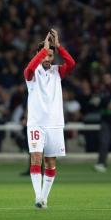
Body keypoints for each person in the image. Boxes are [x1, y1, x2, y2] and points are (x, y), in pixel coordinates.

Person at [24, 28, 75, 208]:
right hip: (36, 124)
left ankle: (44, 199)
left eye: (50, 56)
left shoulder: (57, 72)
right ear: (39, 54)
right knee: (36, 159)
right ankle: (38, 196)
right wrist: (44, 49)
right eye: (45, 55)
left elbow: (72, 63)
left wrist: (58, 46)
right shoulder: (31, 74)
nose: (47, 59)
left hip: (54, 124)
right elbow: (29, 68)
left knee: (50, 163)